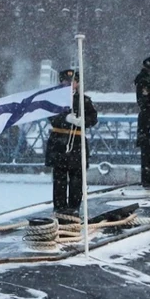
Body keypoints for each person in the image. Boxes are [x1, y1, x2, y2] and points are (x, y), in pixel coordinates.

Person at [45, 69, 98, 215]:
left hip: (77, 142)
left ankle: (74, 207)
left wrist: (83, 121)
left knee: (77, 179)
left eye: (73, 82)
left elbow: (93, 118)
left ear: (78, 83)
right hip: (59, 142)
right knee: (59, 179)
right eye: (66, 81)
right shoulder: (55, 100)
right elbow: (51, 117)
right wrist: (65, 119)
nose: (70, 84)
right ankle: (59, 207)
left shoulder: (84, 100)